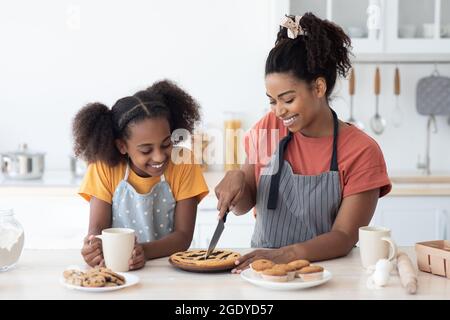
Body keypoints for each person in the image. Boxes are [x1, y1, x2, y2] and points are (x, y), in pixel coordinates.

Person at [214, 13, 391, 273]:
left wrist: (285, 255)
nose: (279, 111)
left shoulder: (361, 151)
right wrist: (237, 180)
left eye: (287, 99)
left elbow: (344, 237)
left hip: (329, 276)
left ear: (319, 88)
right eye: (272, 100)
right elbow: (244, 206)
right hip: (265, 275)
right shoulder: (268, 128)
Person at [73, 80, 209, 270]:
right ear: (122, 146)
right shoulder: (103, 167)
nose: (159, 156)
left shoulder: (183, 161)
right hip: (118, 268)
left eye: (166, 144)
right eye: (146, 150)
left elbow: (183, 236)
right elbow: (97, 230)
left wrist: (143, 252)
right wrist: (93, 246)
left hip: (167, 268)